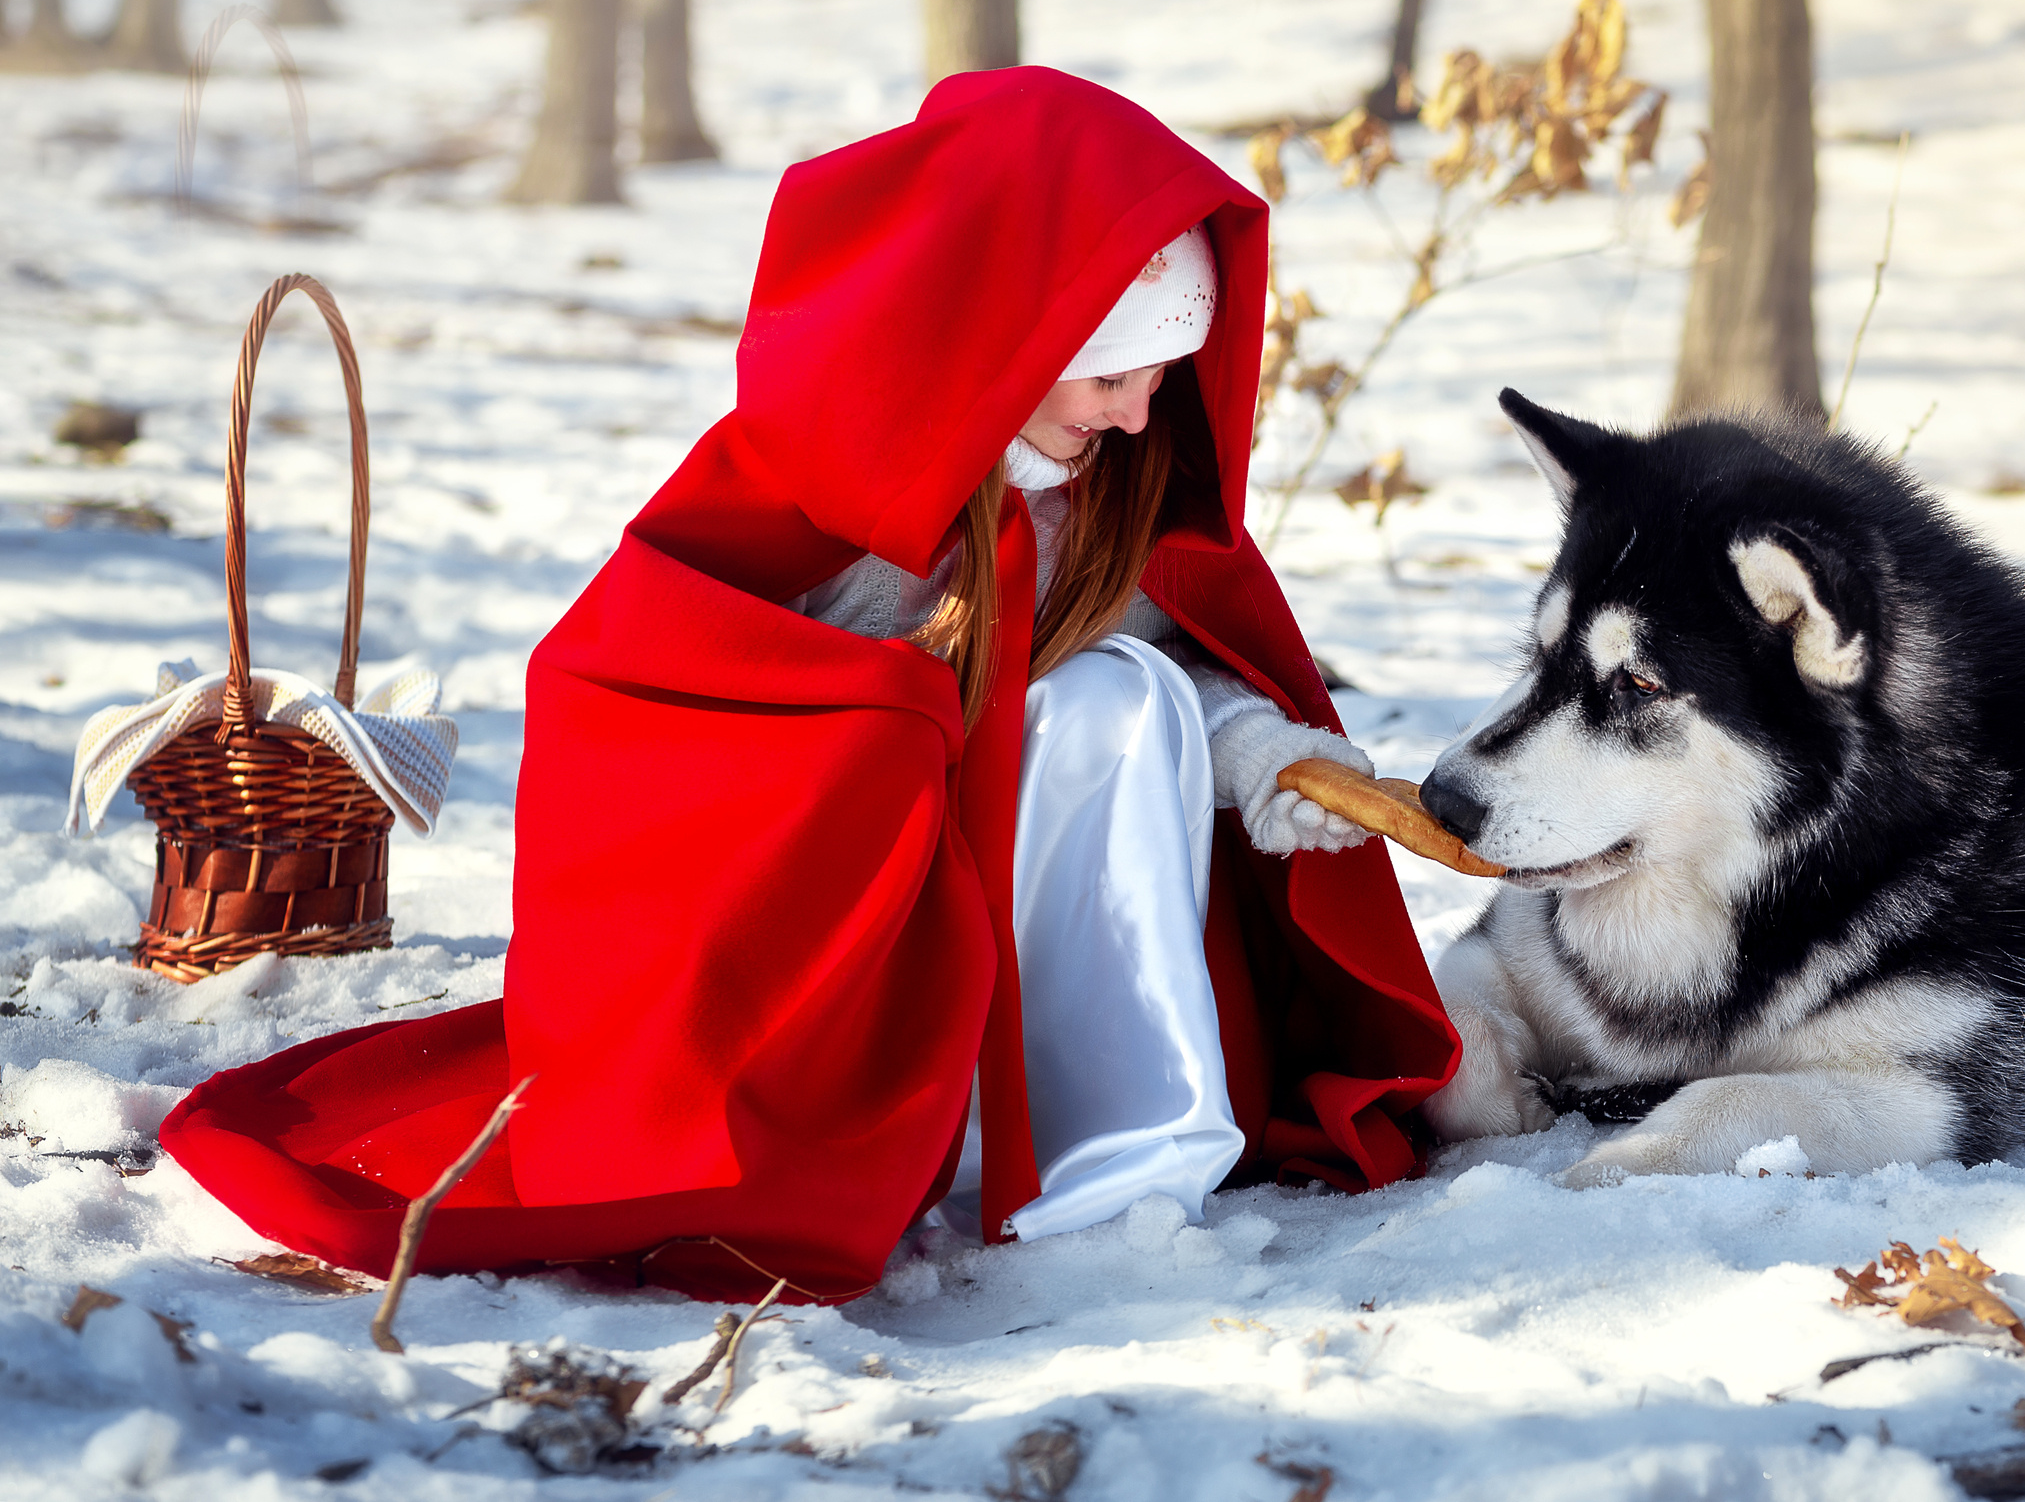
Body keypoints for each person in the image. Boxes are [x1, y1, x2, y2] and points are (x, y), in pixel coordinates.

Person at [159, 69, 1461, 1304]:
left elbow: (1166, 674)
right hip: (833, 986)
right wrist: (878, 742)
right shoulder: (830, 503)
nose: (1134, 416)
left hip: (1037, 971)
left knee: (1113, 697)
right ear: (1016, 337)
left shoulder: (1099, 496)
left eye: (1161, 380)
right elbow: (651, 700)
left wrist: (1257, 759)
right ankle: (885, 1128)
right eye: (1111, 373)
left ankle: (1110, 1153)